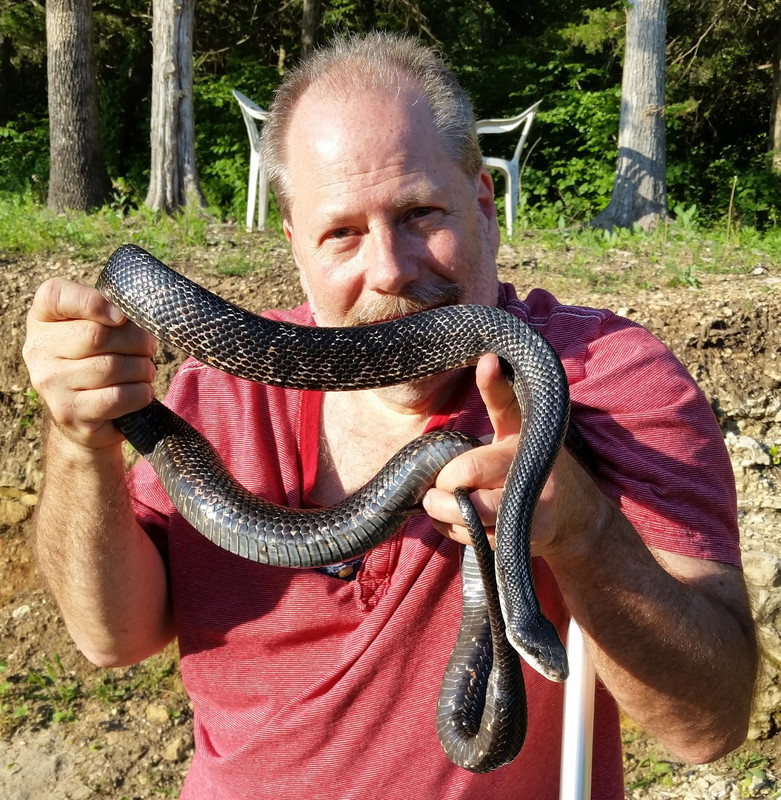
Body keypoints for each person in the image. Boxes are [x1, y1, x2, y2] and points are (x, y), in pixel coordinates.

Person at [23, 31, 756, 800]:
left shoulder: (599, 377)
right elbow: (114, 638)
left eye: (418, 213)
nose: (389, 270)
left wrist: (585, 532)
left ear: (482, 204)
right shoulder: (219, 393)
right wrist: (80, 440)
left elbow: (705, 727)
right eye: (341, 233)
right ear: (295, 246)